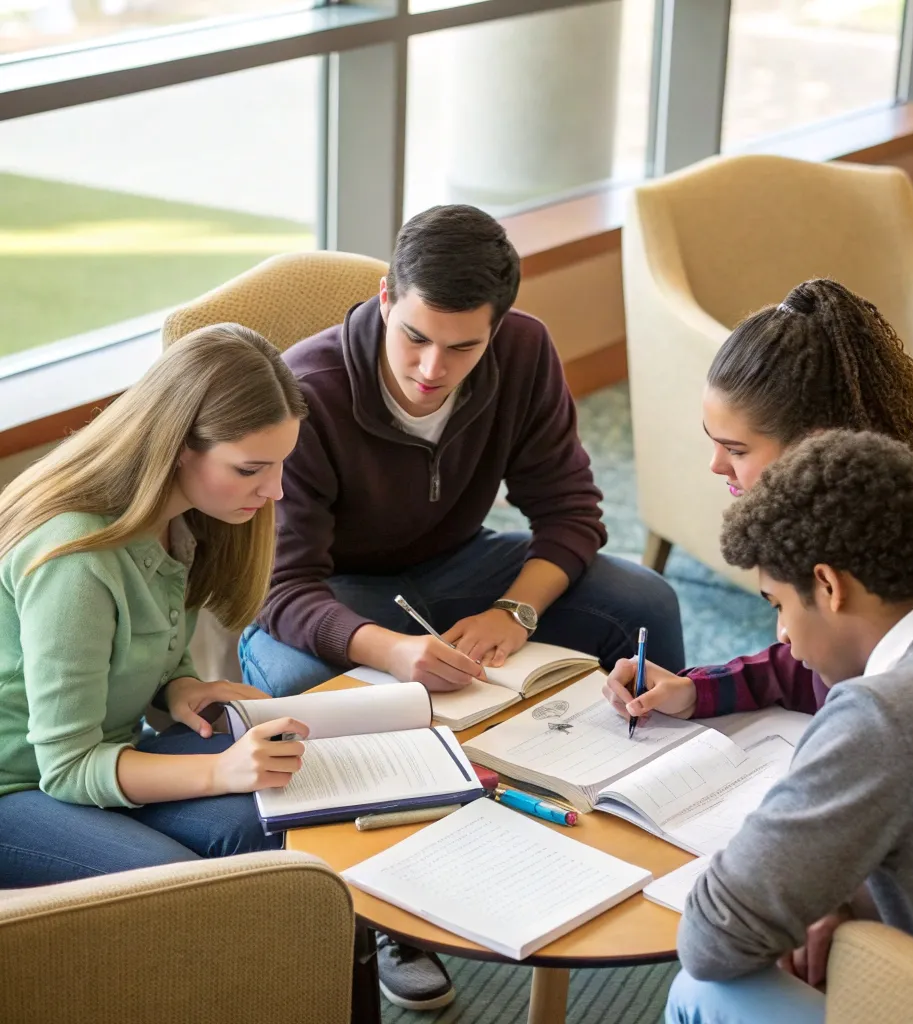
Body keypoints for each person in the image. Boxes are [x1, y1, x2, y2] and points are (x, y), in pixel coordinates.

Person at [238, 203, 684, 1011]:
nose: (432, 369)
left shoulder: (525, 350)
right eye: (414, 336)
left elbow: (571, 513)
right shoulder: (308, 388)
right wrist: (391, 652)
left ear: (499, 327)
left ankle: (651, 812)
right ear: (385, 297)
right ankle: (387, 921)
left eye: (462, 346)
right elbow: (282, 589)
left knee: (640, 598)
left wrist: (516, 611)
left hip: (463, 562)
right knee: (304, 682)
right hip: (332, 590)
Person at [663, 429, 913, 1022]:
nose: (781, 634)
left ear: (828, 586)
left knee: (701, 993)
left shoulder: (883, 716)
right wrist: (846, 897)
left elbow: (713, 938)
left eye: (777, 604)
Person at [603, 277, 913, 723]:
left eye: (737, 449)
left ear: (814, 440)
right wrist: (695, 690)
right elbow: (821, 657)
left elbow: (876, 691)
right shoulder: (844, 502)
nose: (717, 466)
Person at [0, 323, 309, 887]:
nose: (276, 491)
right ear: (178, 448)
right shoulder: (74, 560)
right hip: (18, 785)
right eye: (251, 468)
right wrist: (220, 770)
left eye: (280, 462)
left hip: (108, 749)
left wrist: (179, 686)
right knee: (182, 893)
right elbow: (66, 767)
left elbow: (148, 652)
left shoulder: (179, 525)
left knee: (276, 825)